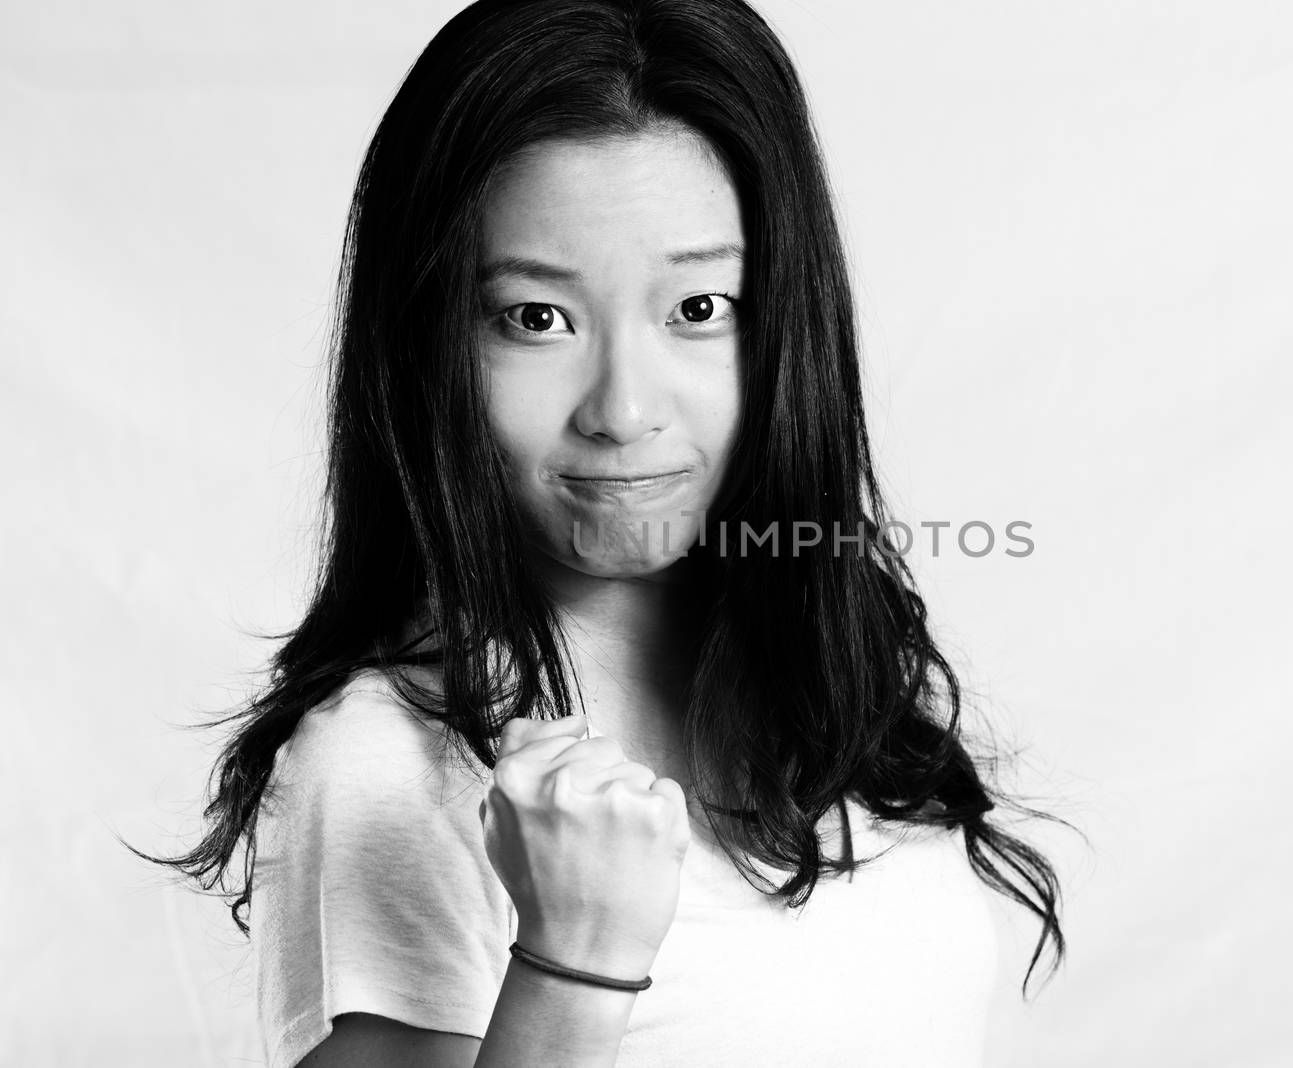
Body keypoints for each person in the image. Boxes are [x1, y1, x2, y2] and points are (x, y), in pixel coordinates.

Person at [138, 1, 1071, 1064]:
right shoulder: (390, 769)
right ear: (430, 346)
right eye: (536, 318)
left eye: (697, 308)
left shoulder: (834, 680)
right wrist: (572, 961)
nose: (623, 410)